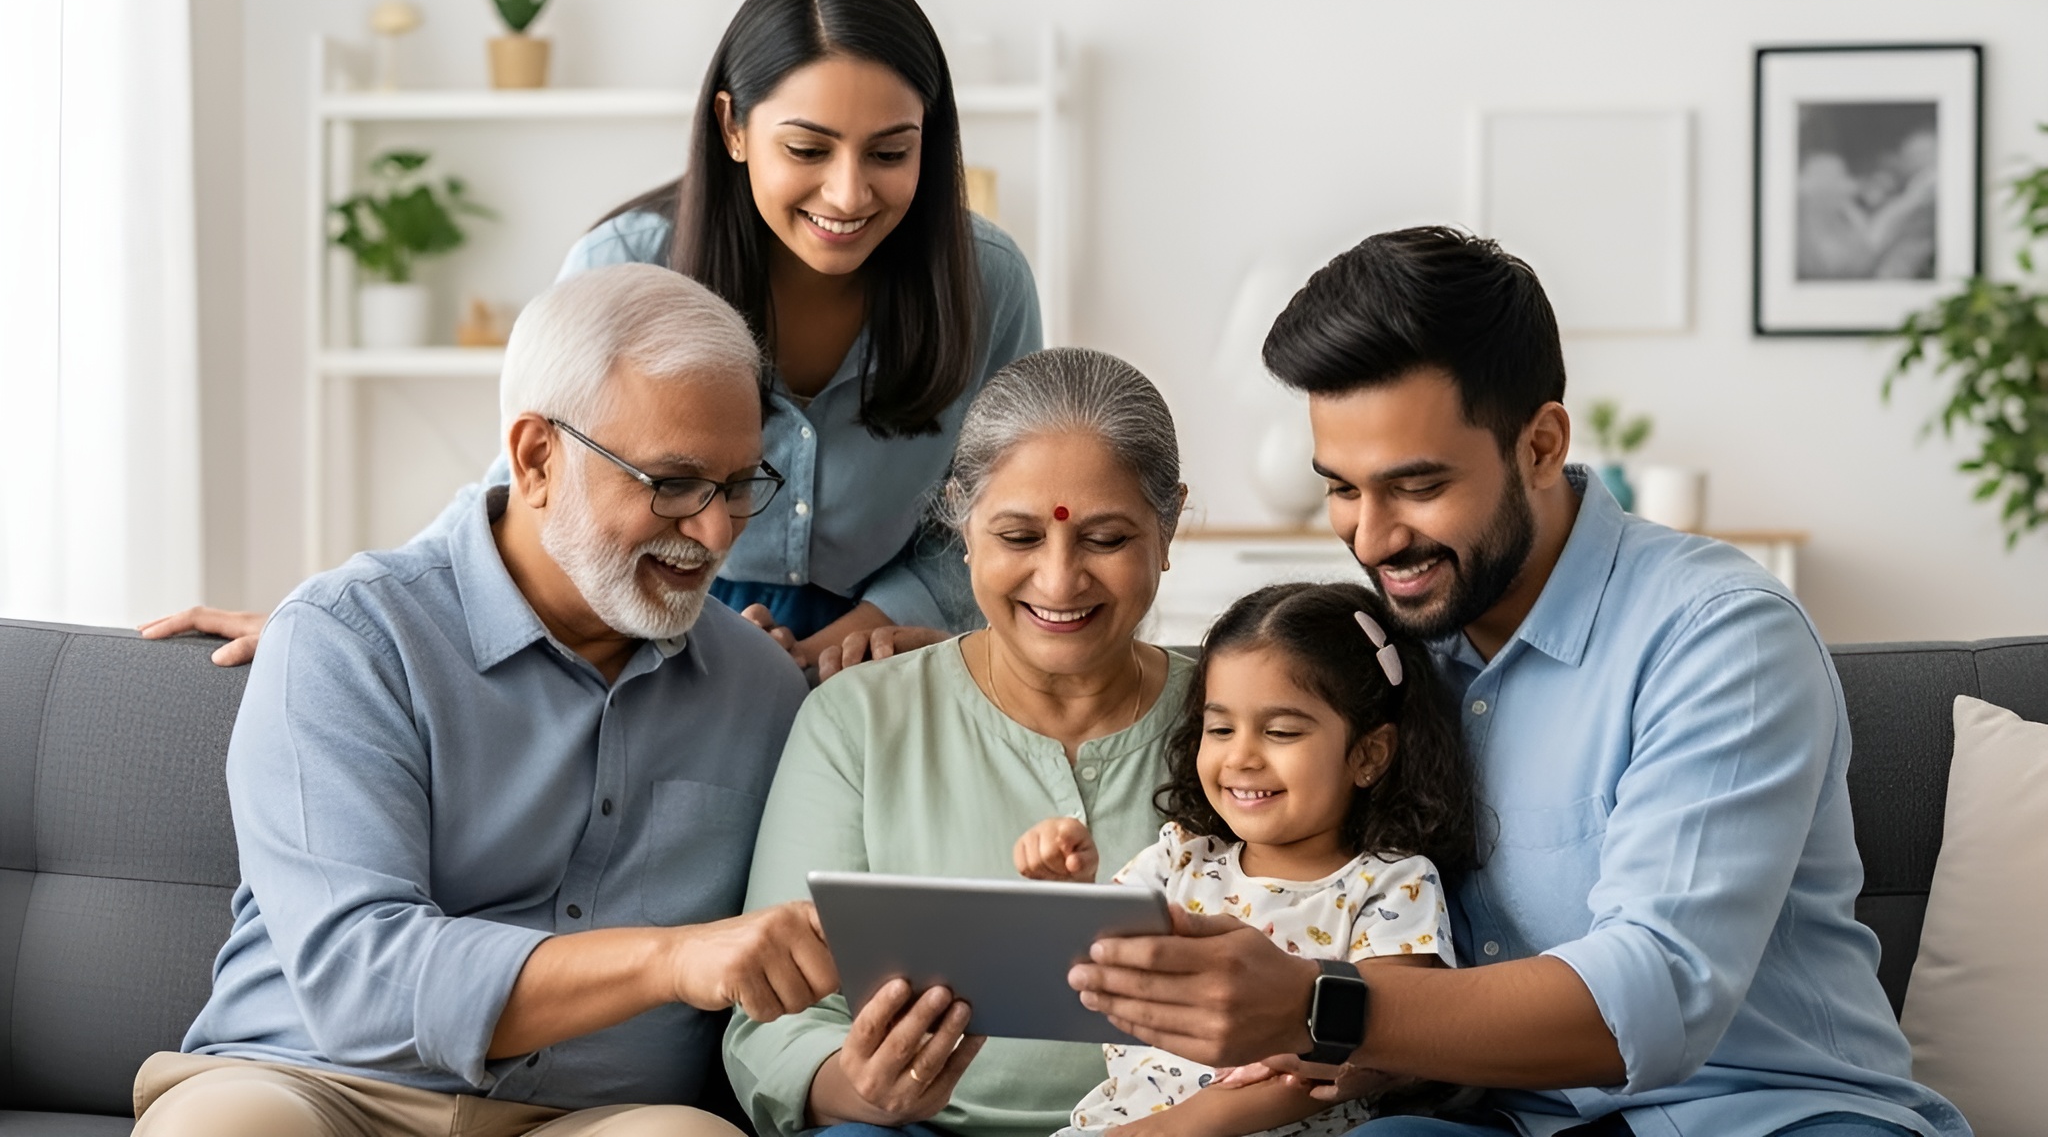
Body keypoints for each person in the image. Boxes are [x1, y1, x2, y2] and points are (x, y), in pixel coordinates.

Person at [1064, 227, 1971, 1137]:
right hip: (1504, 1122)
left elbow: (1656, 990)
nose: (1372, 539)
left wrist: (1319, 1004)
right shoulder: (1384, 658)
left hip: (1763, 1116)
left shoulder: (1720, 636)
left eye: (1417, 486)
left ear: (1539, 446)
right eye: (1341, 488)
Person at [143, 0, 1041, 675]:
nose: (849, 192)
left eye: (890, 152)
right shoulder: (629, 259)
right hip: (658, 629)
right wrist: (342, 617)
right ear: (732, 127)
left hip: (889, 656)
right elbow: (526, 485)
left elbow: (998, 509)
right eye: (807, 149)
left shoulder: (989, 283)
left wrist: (877, 621)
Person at [132, 265, 836, 1137]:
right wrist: (669, 960)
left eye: (737, 486)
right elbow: (358, 977)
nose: (717, 531)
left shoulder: (763, 689)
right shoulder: (351, 637)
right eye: (673, 482)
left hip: (590, 1118)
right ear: (538, 458)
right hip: (313, 1086)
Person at [724, 348, 1195, 1137]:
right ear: (962, 523)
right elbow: (773, 1019)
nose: (1059, 581)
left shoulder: (1240, 717)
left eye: (1107, 539)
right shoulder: (857, 721)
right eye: (1018, 536)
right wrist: (861, 1089)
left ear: (1168, 524)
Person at [1015, 581, 1477, 1137]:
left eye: (1280, 731)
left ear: (1368, 754)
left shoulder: (1393, 885)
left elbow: (1366, 1043)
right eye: (1220, 729)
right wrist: (1069, 886)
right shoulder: (1179, 860)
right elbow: (1090, 963)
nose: (1241, 757)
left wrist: (1161, 1133)